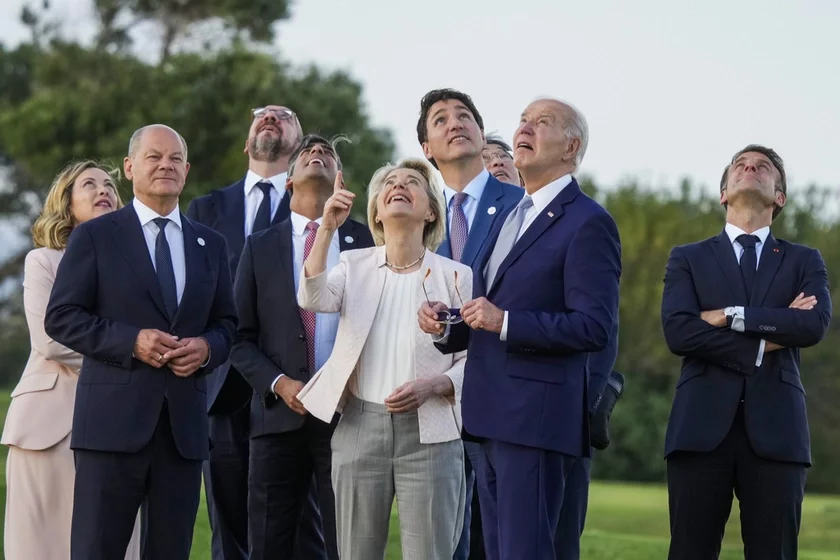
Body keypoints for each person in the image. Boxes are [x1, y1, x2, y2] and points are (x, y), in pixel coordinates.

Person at [419, 98, 622, 559]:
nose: (524, 129)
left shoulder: (589, 221)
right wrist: (447, 327)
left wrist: (505, 321)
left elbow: (594, 328)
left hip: (536, 420)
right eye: (523, 120)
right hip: (488, 418)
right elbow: (486, 313)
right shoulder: (514, 215)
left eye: (541, 122)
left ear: (572, 146)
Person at [44, 124, 238, 560]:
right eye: (154, 157)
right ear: (131, 168)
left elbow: (228, 324)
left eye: (174, 159)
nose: (165, 165)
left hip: (184, 433)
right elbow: (61, 317)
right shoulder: (96, 236)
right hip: (110, 428)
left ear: (186, 172)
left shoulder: (211, 244)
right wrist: (132, 342)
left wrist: (207, 348)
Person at [661, 145, 831, 560]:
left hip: (779, 432)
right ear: (723, 193)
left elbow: (810, 325)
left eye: (763, 167)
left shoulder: (804, 260)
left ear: (780, 197)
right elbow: (680, 332)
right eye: (740, 165)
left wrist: (728, 314)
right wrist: (771, 330)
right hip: (699, 430)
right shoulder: (688, 258)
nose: (750, 168)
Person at [296, 157, 471, 560]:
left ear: (430, 211)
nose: (399, 186)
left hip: (431, 435)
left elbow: (472, 358)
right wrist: (326, 227)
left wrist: (435, 385)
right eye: (389, 183)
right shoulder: (352, 265)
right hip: (360, 427)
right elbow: (312, 296)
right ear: (375, 210)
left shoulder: (457, 275)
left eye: (412, 182)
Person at [186, 104, 323, 560]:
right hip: (222, 383)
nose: (269, 118)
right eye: (260, 116)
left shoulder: (312, 203)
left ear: (299, 145)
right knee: (228, 522)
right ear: (247, 143)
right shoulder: (206, 208)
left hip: (294, 387)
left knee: (304, 525)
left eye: (283, 115)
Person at [230, 134, 373, 560]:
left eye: (328, 154)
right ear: (289, 181)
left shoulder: (366, 243)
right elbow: (240, 338)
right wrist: (278, 383)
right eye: (307, 153)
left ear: (340, 178)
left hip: (348, 417)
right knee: (269, 543)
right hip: (277, 418)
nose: (318, 154)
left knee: (344, 544)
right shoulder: (259, 246)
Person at [2, 161, 141, 560]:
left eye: (110, 186)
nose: (104, 190)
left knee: (116, 544)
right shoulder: (43, 261)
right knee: (41, 546)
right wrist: (133, 354)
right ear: (67, 203)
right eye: (90, 184)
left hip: (119, 424)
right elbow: (51, 339)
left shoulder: (138, 267)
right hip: (48, 430)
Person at [417, 88, 523, 560]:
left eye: (464, 116)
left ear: (481, 135)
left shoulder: (523, 205)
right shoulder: (416, 217)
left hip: (504, 396)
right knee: (443, 544)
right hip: (430, 405)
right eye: (440, 120)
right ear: (426, 149)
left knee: (502, 540)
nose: (454, 122)